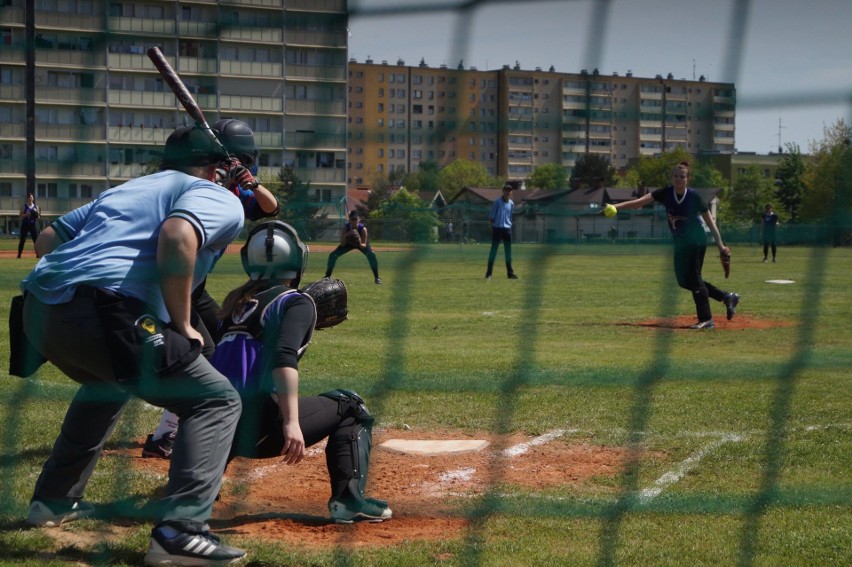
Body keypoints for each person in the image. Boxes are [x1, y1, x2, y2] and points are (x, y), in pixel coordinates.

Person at [21, 125, 248, 565]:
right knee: (215, 400)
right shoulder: (215, 194)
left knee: (109, 381)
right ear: (219, 170)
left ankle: (51, 502)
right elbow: (179, 236)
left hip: (36, 310)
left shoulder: (131, 189)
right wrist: (183, 323)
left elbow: (48, 239)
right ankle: (179, 533)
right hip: (105, 308)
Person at [162, 221, 392, 523]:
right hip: (259, 428)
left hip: (213, 425)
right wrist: (292, 423)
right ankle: (349, 500)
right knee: (350, 406)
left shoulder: (236, 302)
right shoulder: (296, 301)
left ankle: (204, 485)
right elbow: (284, 359)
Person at [142, 118, 280, 460]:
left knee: (220, 344)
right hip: (173, 286)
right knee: (200, 357)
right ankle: (168, 435)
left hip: (194, 287)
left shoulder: (232, 191)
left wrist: (250, 183)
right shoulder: (195, 187)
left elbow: (272, 207)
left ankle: (171, 431)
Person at [604, 162, 740, 329]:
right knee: (683, 280)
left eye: (682, 176)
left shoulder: (693, 197)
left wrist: (720, 245)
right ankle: (726, 297)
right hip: (680, 243)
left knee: (694, 276)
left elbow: (710, 221)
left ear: (687, 179)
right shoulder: (666, 193)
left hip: (696, 240)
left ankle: (706, 319)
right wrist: (615, 207)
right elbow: (640, 202)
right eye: (675, 175)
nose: (678, 179)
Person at [325, 210, 382, 284]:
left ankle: (377, 278)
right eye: (352, 219)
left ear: (359, 219)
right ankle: (327, 277)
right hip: (348, 243)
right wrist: (346, 235)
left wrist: (359, 242)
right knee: (333, 255)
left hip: (360, 243)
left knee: (371, 255)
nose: (354, 221)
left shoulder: (362, 229)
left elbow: (364, 245)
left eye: (355, 219)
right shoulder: (346, 227)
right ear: (349, 219)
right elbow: (342, 244)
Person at [485, 184, 519, 280]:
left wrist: (509, 226)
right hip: (497, 229)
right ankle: (489, 274)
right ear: (503, 191)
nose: (508, 192)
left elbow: (510, 216)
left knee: (508, 253)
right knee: (493, 252)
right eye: (506, 190)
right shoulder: (497, 202)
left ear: (511, 192)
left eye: (509, 190)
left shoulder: (511, 203)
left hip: (507, 230)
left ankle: (510, 273)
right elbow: (491, 217)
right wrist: (492, 228)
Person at [18, 193, 40, 258]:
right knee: (22, 240)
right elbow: (20, 215)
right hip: (25, 224)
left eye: (31, 197)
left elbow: (38, 216)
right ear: (27, 199)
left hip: (32, 224)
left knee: (35, 240)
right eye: (29, 197)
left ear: (33, 198)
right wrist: (26, 214)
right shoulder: (24, 206)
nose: (30, 198)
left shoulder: (36, 207)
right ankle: (19, 254)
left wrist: (36, 215)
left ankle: (38, 254)